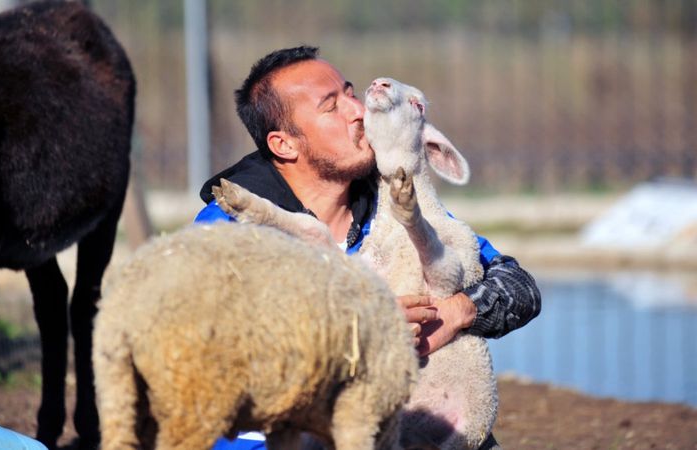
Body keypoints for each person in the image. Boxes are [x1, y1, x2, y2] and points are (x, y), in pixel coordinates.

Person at [194, 45, 541, 450]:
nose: (358, 112)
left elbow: (519, 287)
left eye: (350, 94)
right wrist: (359, 329)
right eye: (331, 106)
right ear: (284, 144)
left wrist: (456, 312)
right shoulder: (231, 227)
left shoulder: (390, 205)